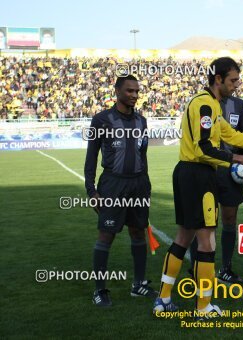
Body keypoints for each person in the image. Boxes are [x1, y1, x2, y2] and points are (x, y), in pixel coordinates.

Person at [153, 57, 243, 317]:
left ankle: (163, 299)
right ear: (218, 79)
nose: (236, 86)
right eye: (232, 80)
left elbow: (232, 136)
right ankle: (203, 306)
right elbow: (204, 148)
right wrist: (239, 157)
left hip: (188, 174)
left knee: (183, 237)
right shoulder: (205, 105)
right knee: (207, 242)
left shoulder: (210, 105)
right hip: (198, 175)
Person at [84, 74, 156, 307]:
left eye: (137, 91)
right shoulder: (101, 120)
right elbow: (91, 156)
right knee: (107, 234)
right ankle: (100, 290)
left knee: (138, 232)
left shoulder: (142, 121)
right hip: (113, 184)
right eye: (129, 91)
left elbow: (142, 153)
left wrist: (145, 184)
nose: (134, 95)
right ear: (117, 91)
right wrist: (91, 190)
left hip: (138, 184)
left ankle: (139, 284)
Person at [188, 94, 243, 284]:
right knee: (201, 221)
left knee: (229, 219)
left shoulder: (238, 105)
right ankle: (196, 269)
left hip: (230, 169)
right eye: (231, 80)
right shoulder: (201, 102)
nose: (234, 85)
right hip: (205, 167)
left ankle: (226, 268)